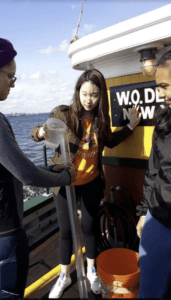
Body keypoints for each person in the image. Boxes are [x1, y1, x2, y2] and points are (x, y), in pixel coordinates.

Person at [0, 36, 75, 299]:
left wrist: (50, 172)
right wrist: (65, 178)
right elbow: (26, 174)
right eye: (11, 76)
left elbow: (8, 166)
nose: (13, 84)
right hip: (2, 231)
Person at [30, 68, 141, 298]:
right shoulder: (64, 114)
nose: (88, 99)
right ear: (77, 91)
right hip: (64, 183)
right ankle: (63, 276)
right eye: (84, 93)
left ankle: (92, 270)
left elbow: (110, 142)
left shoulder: (101, 119)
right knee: (66, 232)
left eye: (94, 94)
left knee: (90, 228)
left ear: (101, 96)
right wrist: (41, 132)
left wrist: (130, 126)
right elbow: (38, 133)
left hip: (90, 181)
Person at [136, 49, 171, 298]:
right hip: (158, 216)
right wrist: (142, 214)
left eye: (165, 86)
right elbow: (153, 171)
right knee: (148, 288)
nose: (160, 93)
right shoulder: (162, 120)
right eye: (157, 87)